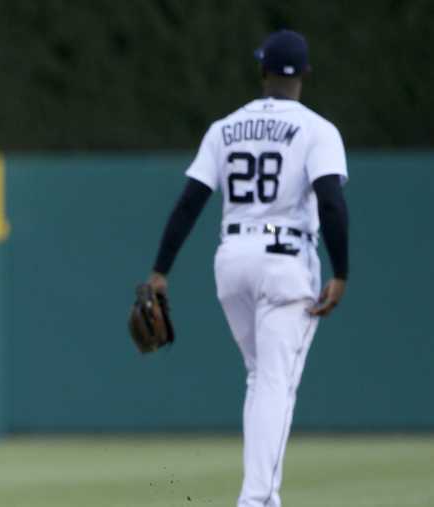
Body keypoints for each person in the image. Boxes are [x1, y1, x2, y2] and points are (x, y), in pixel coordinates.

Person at [146, 30, 349, 507]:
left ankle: (262, 497)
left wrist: (160, 270)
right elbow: (332, 204)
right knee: (276, 382)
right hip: (285, 262)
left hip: (232, 261)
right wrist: (341, 272)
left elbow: (190, 201)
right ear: (305, 77)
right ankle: (257, 500)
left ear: (262, 71)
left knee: (261, 378)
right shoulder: (318, 129)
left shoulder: (225, 127)